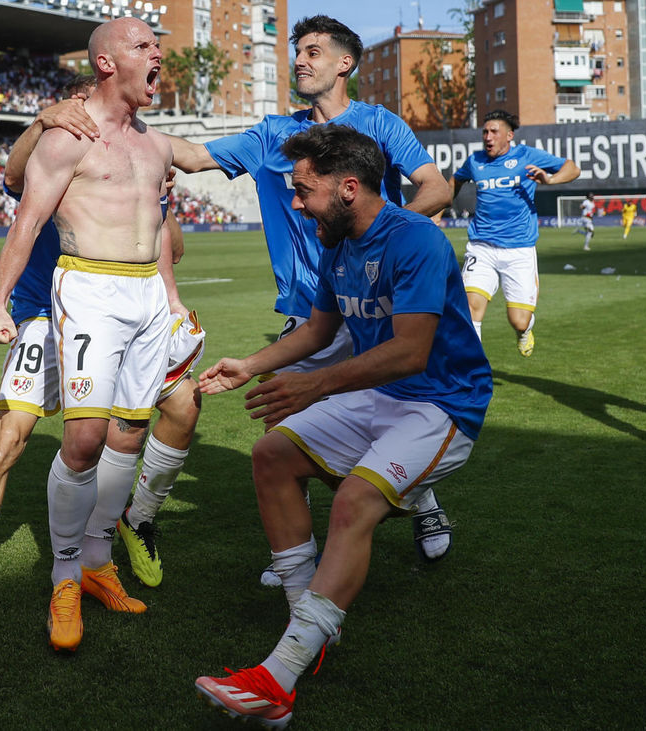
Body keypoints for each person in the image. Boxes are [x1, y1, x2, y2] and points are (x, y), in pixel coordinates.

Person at [193, 124, 492, 728]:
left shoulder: (415, 241)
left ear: (348, 187)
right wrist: (248, 366)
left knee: (354, 500)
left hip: (442, 403)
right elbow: (318, 331)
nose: (296, 204)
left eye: (303, 191)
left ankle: (278, 680)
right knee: (272, 455)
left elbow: (411, 351)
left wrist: (315, 383)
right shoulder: (338, 243)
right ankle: (306, 628)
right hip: (381, 393)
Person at [164, 14, 456, 571]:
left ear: (345, 63)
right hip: (309, 308)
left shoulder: (381, 124)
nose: (300, 59)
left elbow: (437, 187)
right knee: (283, 420)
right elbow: (194, 156)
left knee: (401, 411)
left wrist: (379, 236)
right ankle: (295, 552)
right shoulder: (274, 135)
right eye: (298, 51)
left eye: (314, 51)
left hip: (377, 303)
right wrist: (111, 122)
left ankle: (423, 499)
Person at [0, 78, 204, 636]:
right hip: (42, 313)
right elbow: (11, 180)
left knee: (173, 410)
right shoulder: (58, 143)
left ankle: (116, 539)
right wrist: (42, 120)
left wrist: (158, 192)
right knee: (9, 437)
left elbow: (170, 247)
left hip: (125, 311)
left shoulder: (137, 148)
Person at [0, 18, 172, 652]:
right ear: (105, 62)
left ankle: (95, 562)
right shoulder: (67, 136)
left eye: (156, 44)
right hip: (85, 288)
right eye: (144, 45)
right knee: (85, 437)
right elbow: (25, 216)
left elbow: (193, 172)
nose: (158, 53)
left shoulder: (152, 142)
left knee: (130, 434)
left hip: (145, 294)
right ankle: (64, 576)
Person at [450, 109, 579, 356]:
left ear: (509, 136)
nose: (488, 137)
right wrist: (437, 210)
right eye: (485, 132)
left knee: (518, 320)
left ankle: (525, 331)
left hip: (518, 249)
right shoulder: (475, 161)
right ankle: (474, 371)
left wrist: (550, 181)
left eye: (494, 132)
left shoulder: (526, 156)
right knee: (470, 307)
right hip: (481, 246)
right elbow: (455, 180)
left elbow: (572, 168)